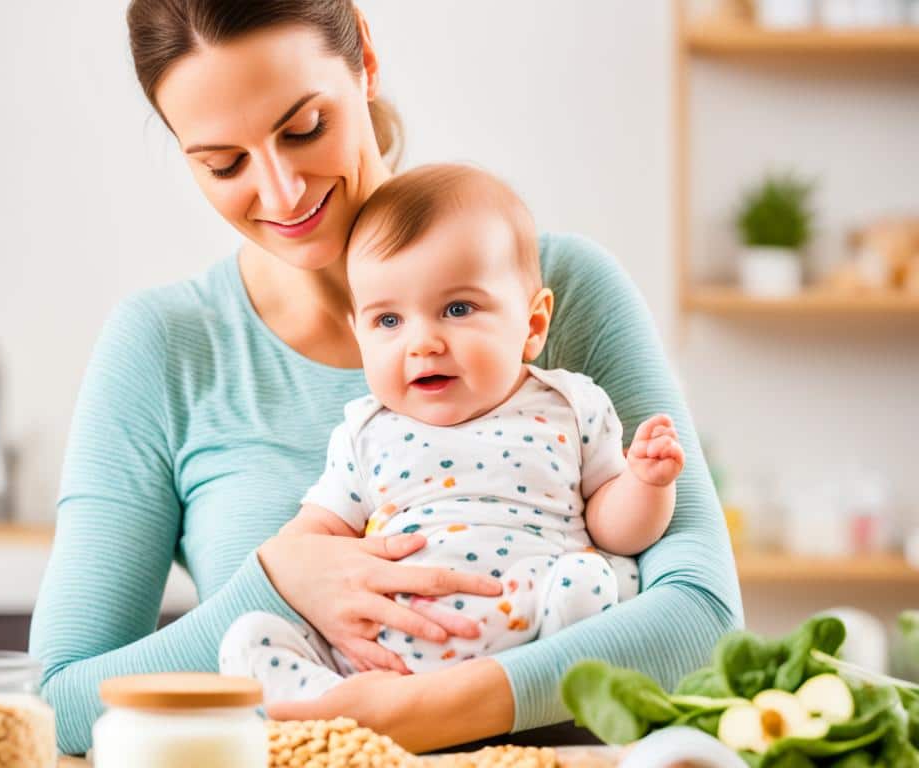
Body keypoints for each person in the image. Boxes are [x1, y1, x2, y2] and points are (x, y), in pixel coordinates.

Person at [31, 0, 741, 755]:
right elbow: (54, 702)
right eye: (224, 164)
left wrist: (413, 713)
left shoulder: (556, 290)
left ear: (364, 57)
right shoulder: (165, 349)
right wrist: (276, 581)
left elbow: (702, 623)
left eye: (304, 128)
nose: (281, 193)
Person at [218, 163, 685, 704]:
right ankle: (338, 704)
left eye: (457, 309)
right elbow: (310, 543)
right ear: (359, 333)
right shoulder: (365, 432)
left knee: (599, 579)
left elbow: (616, 530)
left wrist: (647, 485)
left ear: (533, 325)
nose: (422, 343)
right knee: (249, 640)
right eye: (388, 321)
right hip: (378, 660)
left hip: (531, 640)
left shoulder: (567, 406)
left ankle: (533, 687)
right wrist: (296, 567)